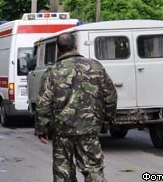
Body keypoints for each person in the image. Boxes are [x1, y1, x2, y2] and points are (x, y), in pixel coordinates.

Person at [35, 32, 117, 182]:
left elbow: (43, 103)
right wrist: (107, 119)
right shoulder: (96, 66)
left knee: (63, 171)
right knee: (93, 169)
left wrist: (42, 129)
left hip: (62, 130)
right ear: (75, 46)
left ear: (58, 49)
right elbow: (110, 95)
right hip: (89, 128)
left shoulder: (52, 72)